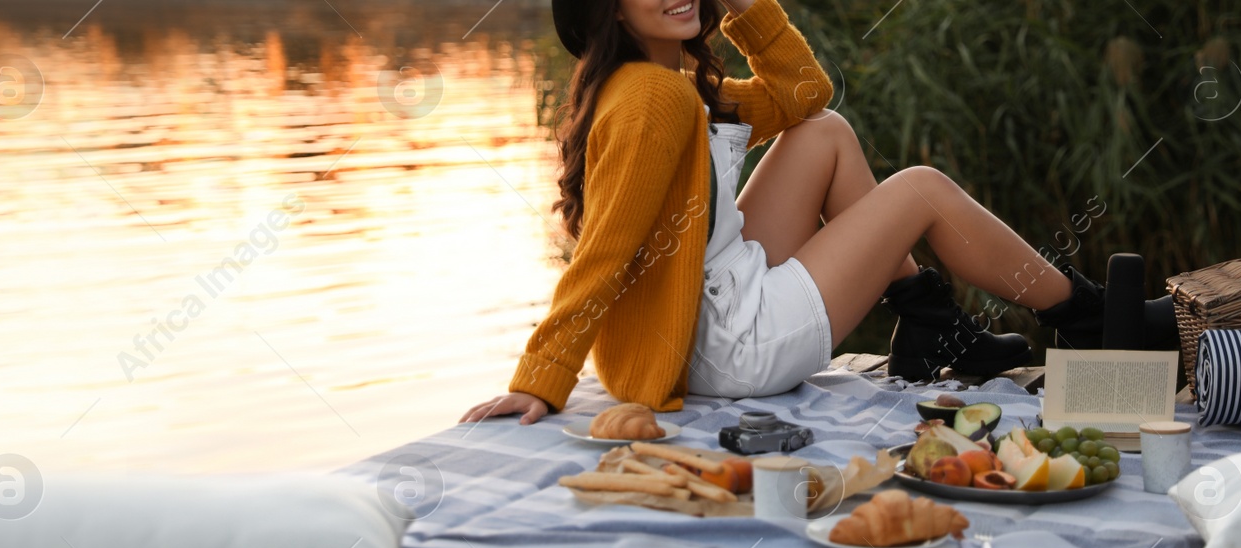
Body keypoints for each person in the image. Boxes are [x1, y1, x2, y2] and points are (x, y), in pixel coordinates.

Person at [461, 0, 1107, 426]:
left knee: (823, 131)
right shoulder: (653, 99)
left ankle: (928, 323)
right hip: (729, 346)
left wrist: (746, 7)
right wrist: (542, 379)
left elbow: (803, 95)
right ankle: (1090, 318)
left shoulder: (672, 84)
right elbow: (603, 251)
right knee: (920, 190)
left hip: (710, 305)